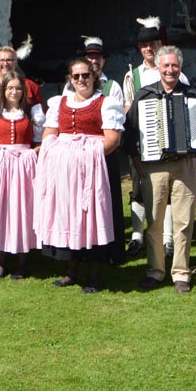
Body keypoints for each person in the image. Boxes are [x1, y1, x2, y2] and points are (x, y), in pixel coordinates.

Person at [124, 45, 196, 293]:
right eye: (165, 65)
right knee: (154, 222)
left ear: (180, 67)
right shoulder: (144, 96)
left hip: (185, 165)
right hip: (154, 166)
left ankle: (181, 273)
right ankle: (155, 271)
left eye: (174, 65)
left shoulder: (193, 95)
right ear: (158, 67)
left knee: (184, 220)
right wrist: (135, 158)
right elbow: (130, 130)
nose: (170, 70)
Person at [36, 58, 123, 292]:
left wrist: (86, 157)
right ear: (70, 79)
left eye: (86, 75)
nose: (82, 80)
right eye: (76, 76)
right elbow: (49, 135)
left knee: (93, 217)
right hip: (66, 173)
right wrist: (61, 155)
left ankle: (95, 275)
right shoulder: (59, 103)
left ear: (94, 77)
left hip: (96, 169)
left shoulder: (106, 103)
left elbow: (113, 139)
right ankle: (71, 271)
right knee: (70, 216)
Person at [121, 17, 188, 258]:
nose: (149, 48)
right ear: (140, 48)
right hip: (142, 140)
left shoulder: (177, 72)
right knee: (139, 188)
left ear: (160, 44)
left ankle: (168, 239)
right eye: (144, 45)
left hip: (170, 141)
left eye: (153, 43)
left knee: (168, 191)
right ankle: (137, 235)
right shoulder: (132, 76)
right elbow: (128, 109)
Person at [0, 73, 44, 280]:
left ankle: (22, 263)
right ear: (3, 90)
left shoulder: (32, 112)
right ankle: (1, 264)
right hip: (1, 166)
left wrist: (31, 153)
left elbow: (41, 141)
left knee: (22, 210)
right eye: (10, 88)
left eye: (18, 88)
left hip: (24, 166)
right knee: (1, 210)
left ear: (23, 91)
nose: (14, 92)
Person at [81, 36, 127, 265]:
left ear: (103, 60)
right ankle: (83, 249)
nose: (93, 61)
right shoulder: (75, 84)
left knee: (108, 202)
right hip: (80, 156)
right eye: (90, 57)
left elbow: (117, 121)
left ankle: (112, 251)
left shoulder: (113, 87)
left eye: (97, 57)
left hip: (105, 152)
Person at [0, 41, 42, 108]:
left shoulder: (30, 86)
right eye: (2, 60)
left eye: (9, 60)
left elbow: (41, 113)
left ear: (16, 63)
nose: (5, 64)